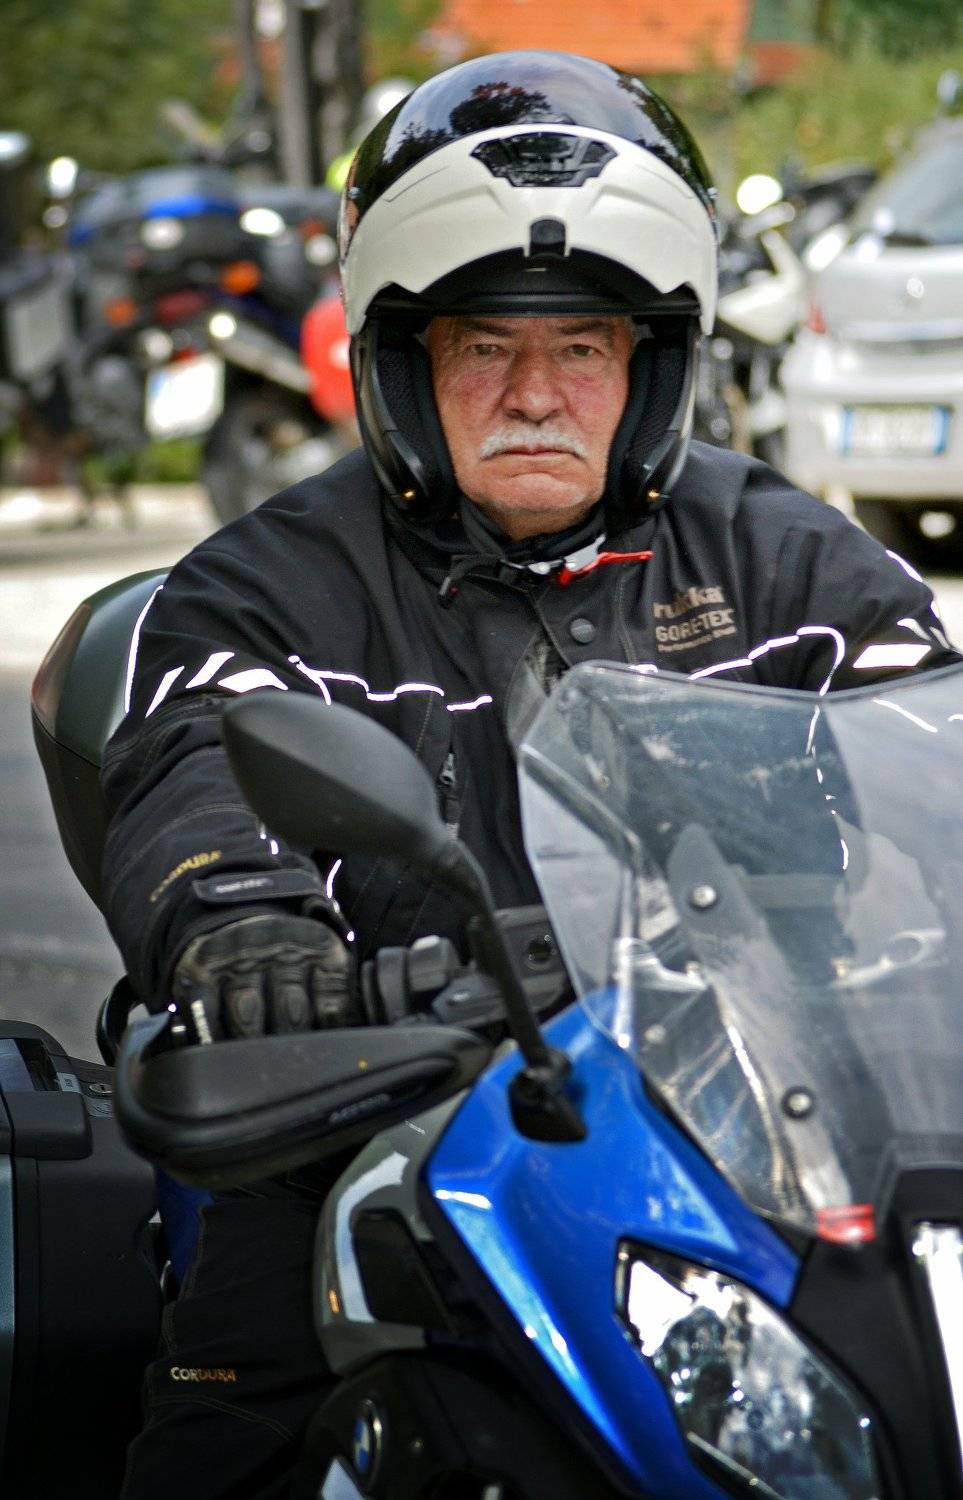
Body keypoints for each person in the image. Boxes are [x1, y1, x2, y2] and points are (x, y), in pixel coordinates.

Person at [99, 51, 958, 1498]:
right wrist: (244, 928)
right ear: (404, 365)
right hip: (373, 1111)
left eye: (584, 350)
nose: (536, 395)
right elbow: (196, 762)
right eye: (483, 347)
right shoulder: (268, 587)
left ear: (651, 368)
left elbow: (935, 736)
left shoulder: (786, 559)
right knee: (234, 1436)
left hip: (756, 1126)